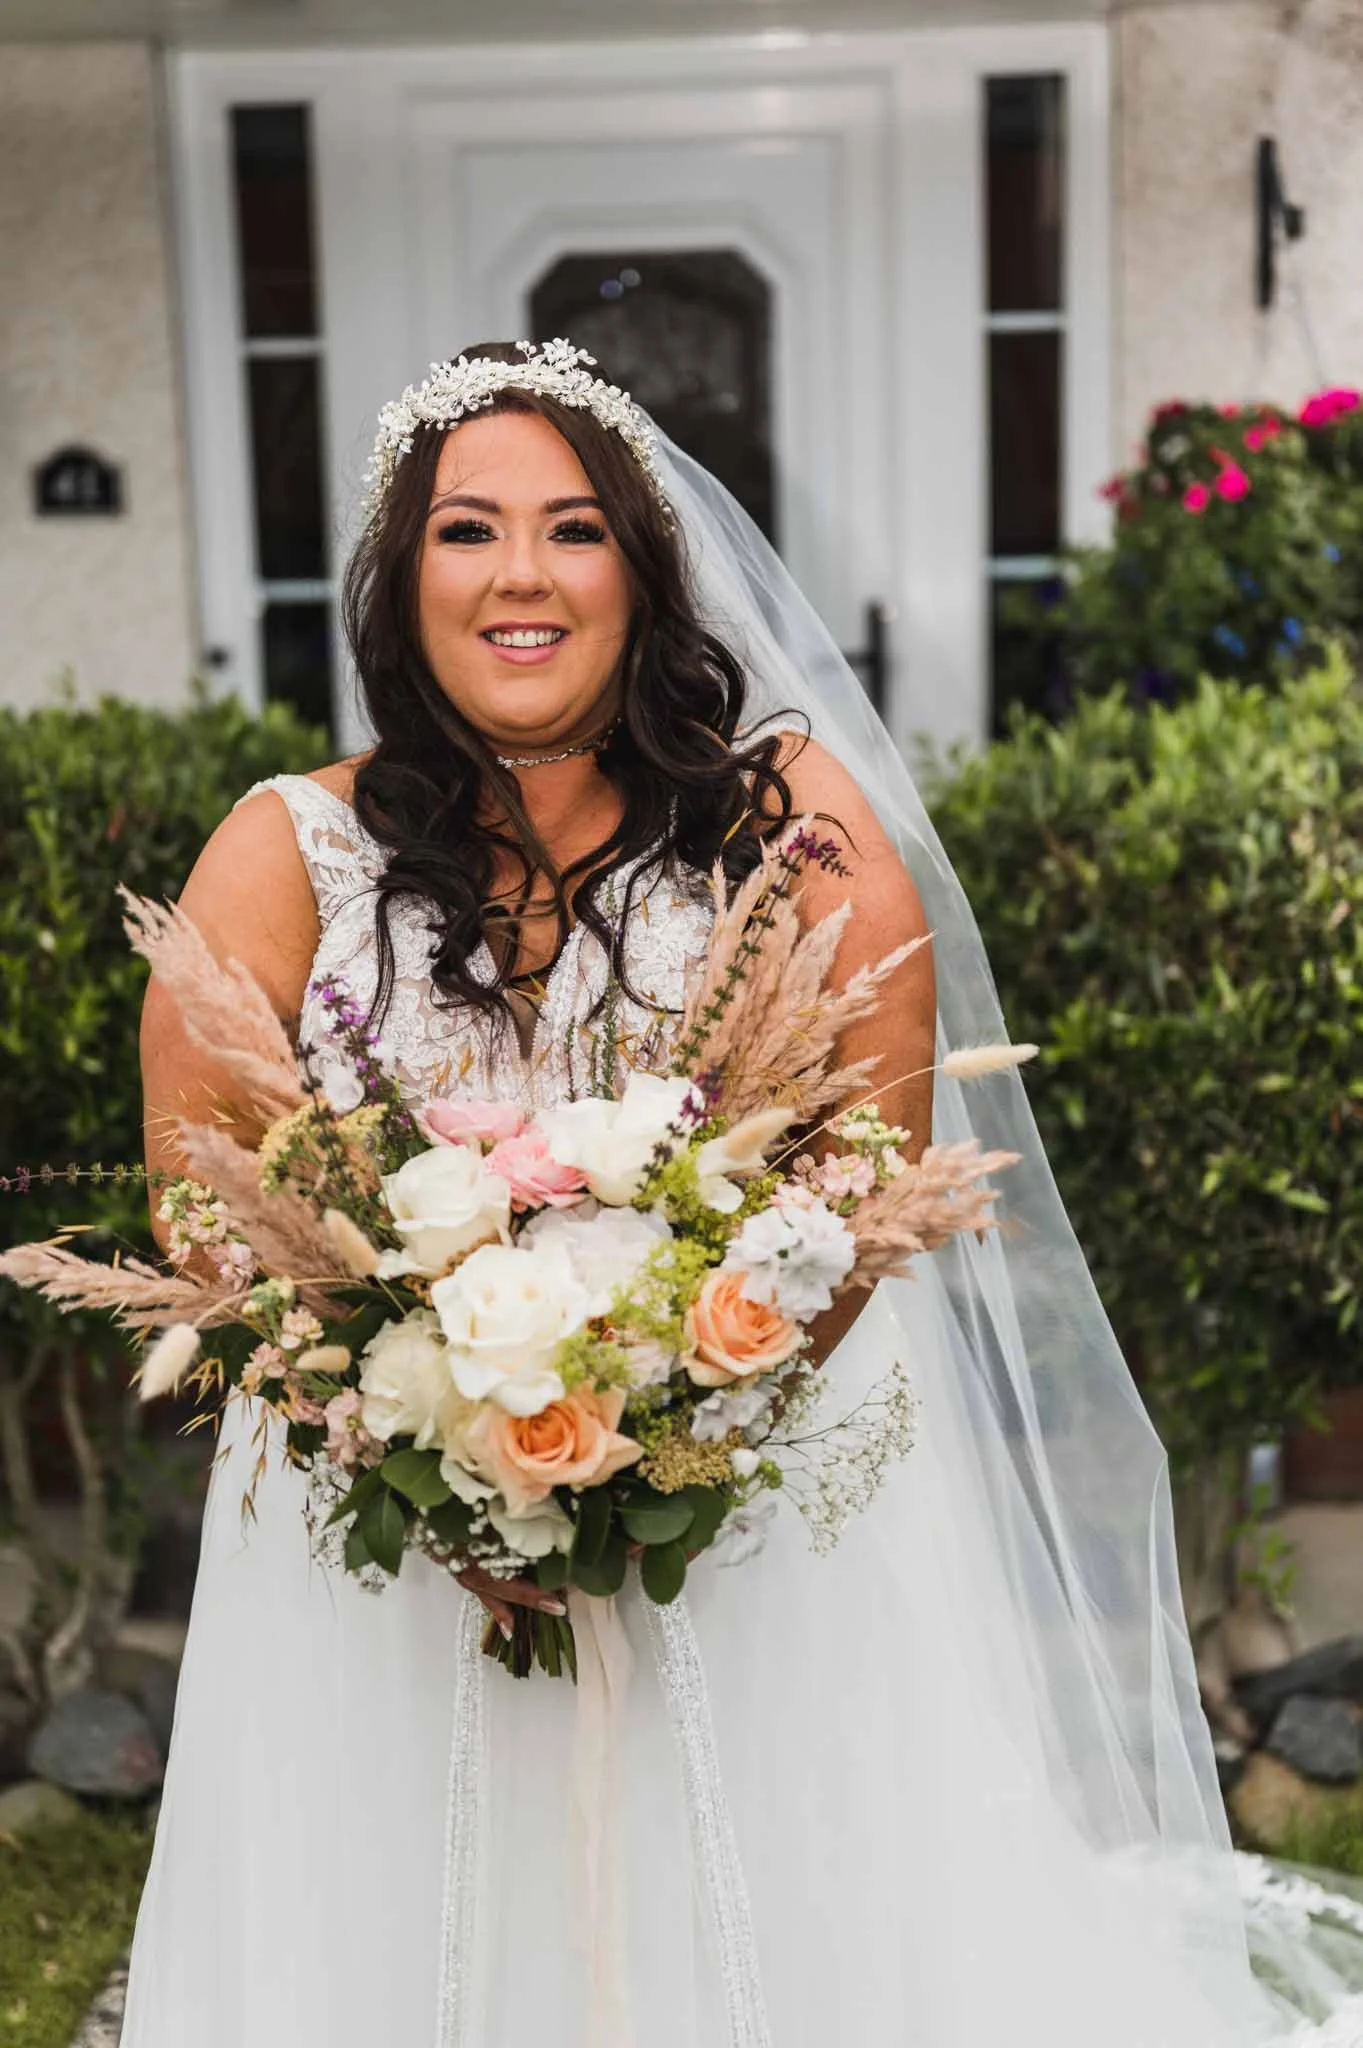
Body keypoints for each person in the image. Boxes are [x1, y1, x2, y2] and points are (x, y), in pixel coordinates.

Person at [121, 340, 1363, 2047]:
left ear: (642, 572)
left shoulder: (784, 823)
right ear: (400, 581)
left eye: (573, 530)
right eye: (466, 530)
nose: (520, 576)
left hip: (753, 1503)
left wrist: (654, 1438)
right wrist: (413, 1444)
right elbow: (202, 1197)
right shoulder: (284, 849)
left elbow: (865, 1162)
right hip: (382, 1540)